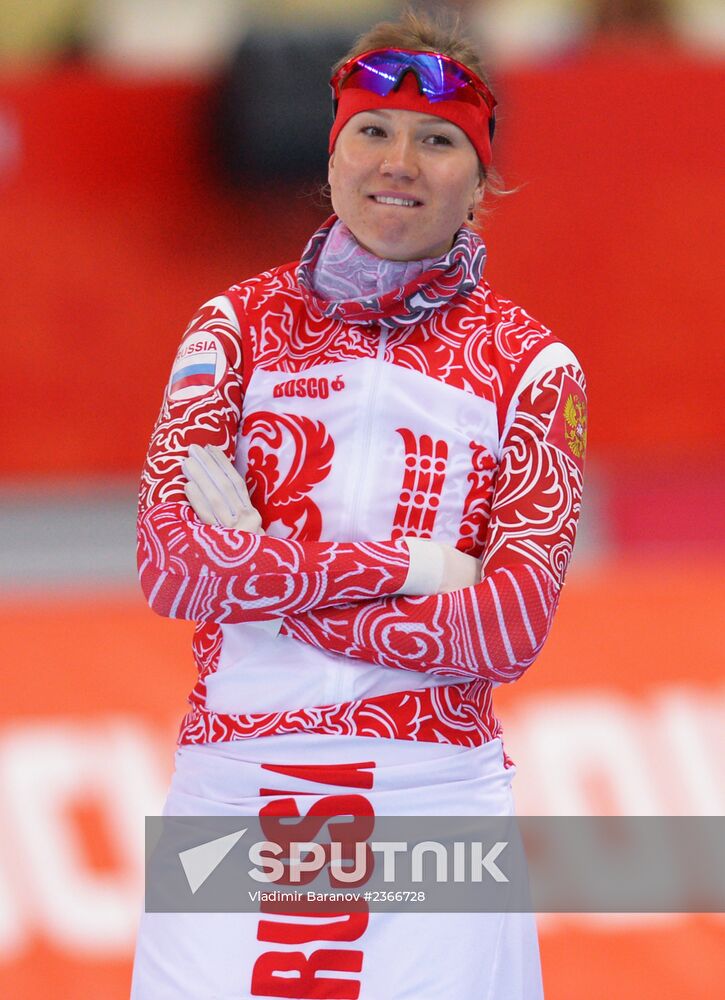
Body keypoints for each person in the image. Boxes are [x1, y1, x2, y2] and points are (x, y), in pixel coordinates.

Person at [131, 9, 587, 999]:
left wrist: (260, 571)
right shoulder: (234, 329)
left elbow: (505, 626)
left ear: (480, 177)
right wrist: (413, 569)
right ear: (331, 154)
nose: (401, 161)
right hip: (238, 791)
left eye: (438, 139)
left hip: (432, 800)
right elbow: (170, 564)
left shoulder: (532, 367)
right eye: (372, 131)